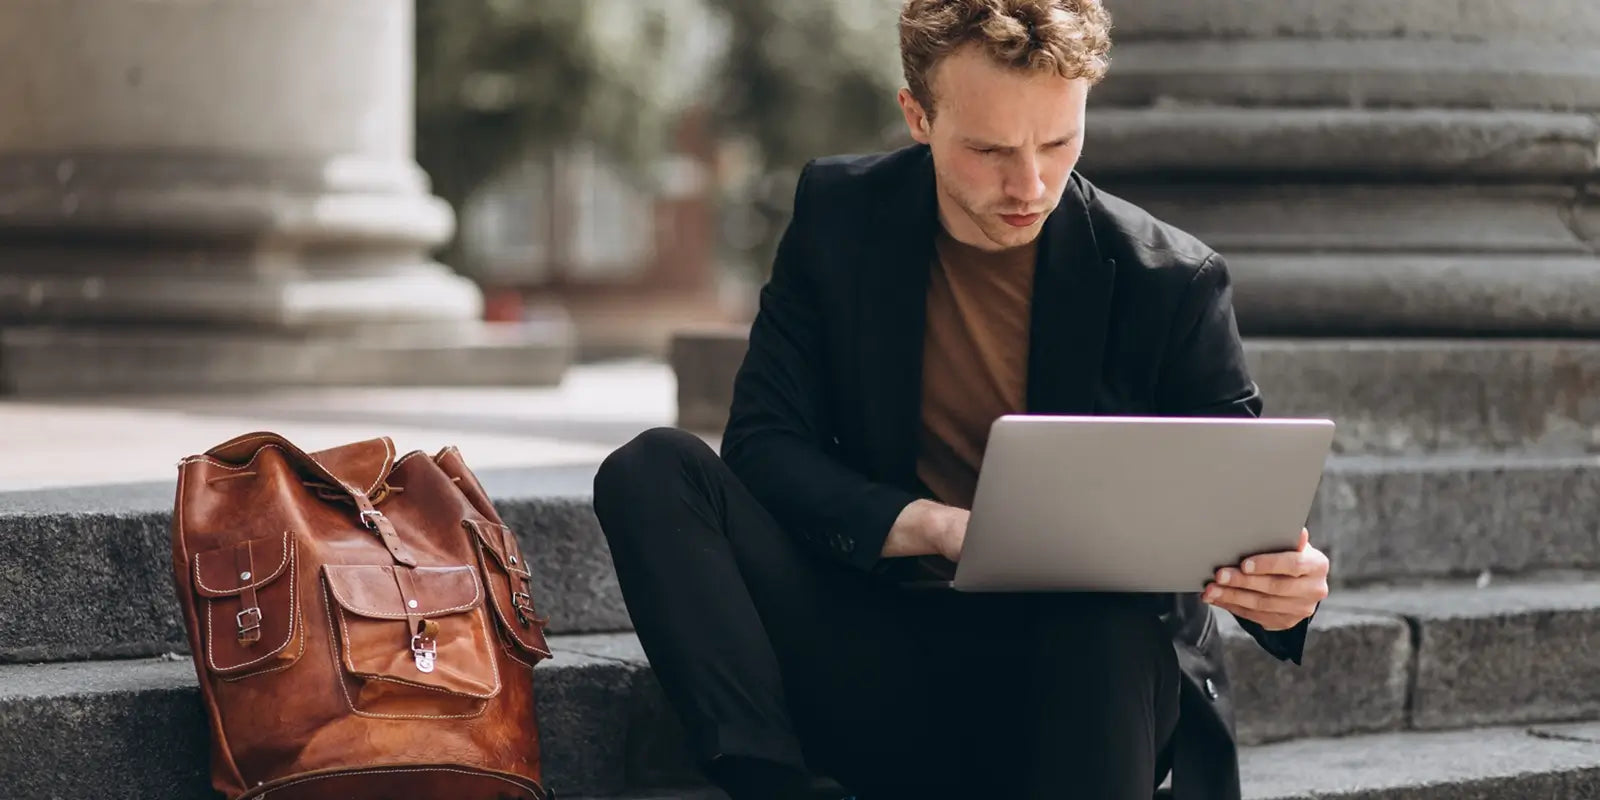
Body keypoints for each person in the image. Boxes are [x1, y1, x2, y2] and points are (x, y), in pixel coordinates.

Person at [591, 1, 1331, 798]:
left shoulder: (1170, 280)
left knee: (1105, 619)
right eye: (989, 149)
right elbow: (765, 446)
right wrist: (934, 527)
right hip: (871, 652)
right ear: (917, 116)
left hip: (1073, 689)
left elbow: (1237, 509)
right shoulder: (839, 216)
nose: (1031, 184)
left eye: (1059, 141)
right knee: (652, 471)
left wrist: (1285, 594)